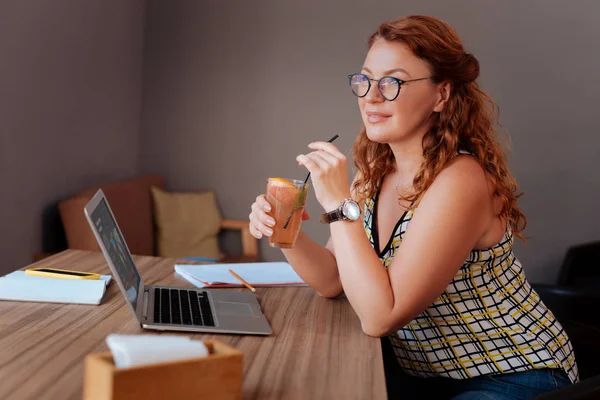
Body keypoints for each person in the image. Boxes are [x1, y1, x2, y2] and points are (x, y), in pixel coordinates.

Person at [248, 15, 577, 400]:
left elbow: (379, 317)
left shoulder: (461, 181)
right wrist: (287, 234)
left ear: (441, 95)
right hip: (425, 375)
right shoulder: (373, 173)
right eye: (365, 79)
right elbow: (333, 281)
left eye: (393, 82)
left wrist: (339, 204)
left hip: (513, 372)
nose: (371, 96)